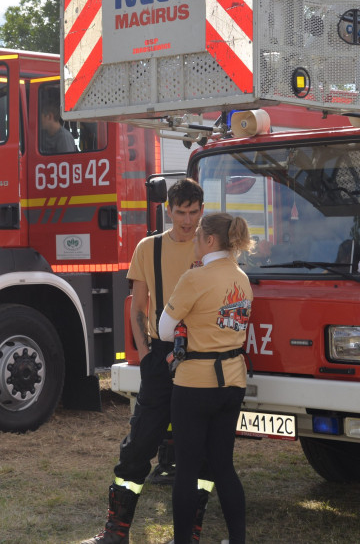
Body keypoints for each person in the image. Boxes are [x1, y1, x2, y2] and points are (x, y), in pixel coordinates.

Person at [82, 178, 205, 544]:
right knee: (137, 447)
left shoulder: (212, 248)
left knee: (197, 451)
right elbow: (137, 307)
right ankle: (116, 531)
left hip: (201, 360)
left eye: (194, 212)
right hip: (159, 358)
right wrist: (147, 353)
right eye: (180, 212)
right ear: (168, 211)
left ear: (202, 210)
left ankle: (190, 534)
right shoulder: (147, 248)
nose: (187, 220)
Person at [159, 212, 254, 544]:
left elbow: (164, 330)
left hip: (195, 383)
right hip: (232, 381)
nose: (194, 240)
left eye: (198, 235)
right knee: (223, 466)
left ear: (209, 240)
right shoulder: (242, 277)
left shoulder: (194, 278)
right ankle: (237, 539)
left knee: (186, 469)